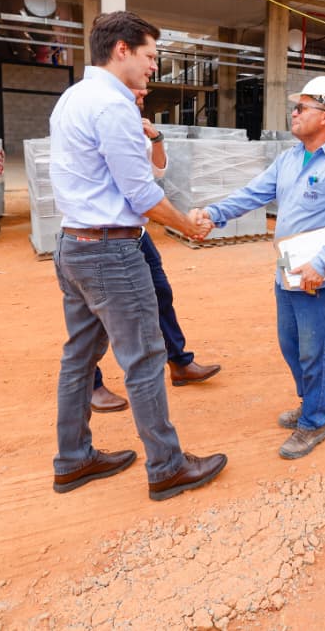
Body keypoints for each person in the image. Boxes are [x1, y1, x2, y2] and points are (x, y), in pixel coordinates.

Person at [49, 10, 226, 500]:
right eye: (149, 56)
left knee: (79, 358)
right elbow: (142, 194)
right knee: (145, 358)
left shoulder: (72, 98)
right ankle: (167, 467)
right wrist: (188, 225)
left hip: (74, 244)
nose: (154, 66)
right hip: (110, 251)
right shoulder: (113, 107)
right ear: (121, 49)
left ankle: (73, 460)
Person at [193, 75, 325, 460]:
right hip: (287, 272)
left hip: (319, 280)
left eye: (302, 107)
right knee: (291, 346)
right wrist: (214, 213)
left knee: (315, 351)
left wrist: (322, 264)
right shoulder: (290, 159)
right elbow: (253, 193)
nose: (294, 113)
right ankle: (316, 403)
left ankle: (315, 421)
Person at [90, 91, 223, 413]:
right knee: (100, 311)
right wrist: (186, 226)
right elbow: (144, 196)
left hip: (134, 230)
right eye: (132, 97)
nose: (138, 101)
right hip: (101, 234)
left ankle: (179, 363)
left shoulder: (136, 134)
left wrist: (156, 138)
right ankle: (89, 384)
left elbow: (158, 173)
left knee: (160, 293)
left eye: (139, 101)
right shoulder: (102, 128)